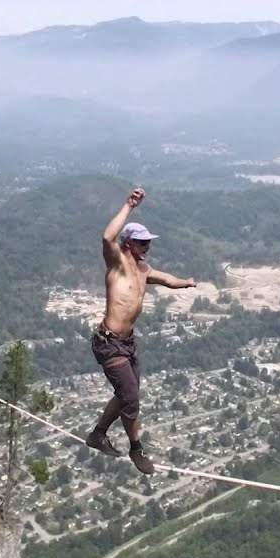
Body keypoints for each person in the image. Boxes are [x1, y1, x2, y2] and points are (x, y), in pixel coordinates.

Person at [85, 188, 196, 475]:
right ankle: (137, 449)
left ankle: (98, 434)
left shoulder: (143, 270)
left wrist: (187, 282)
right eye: (142, 242)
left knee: (125, 396)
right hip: (109, 343)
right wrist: (129, 205)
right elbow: (106, 237)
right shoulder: (117, 265)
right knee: (131, 397)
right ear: (128, 243)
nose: (147, 246)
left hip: (128, 344)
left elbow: (167, 279)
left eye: (148, 242)